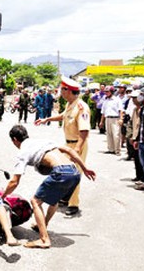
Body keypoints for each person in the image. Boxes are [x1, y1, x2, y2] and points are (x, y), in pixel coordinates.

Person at [2, 125, 96, 249]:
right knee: (54, 199)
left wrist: (2, 196)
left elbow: (14, 181)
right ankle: (43, 225)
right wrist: (85, 168)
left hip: (61, 172)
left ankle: (44, 239)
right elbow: (70, 151)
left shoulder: (23, 152)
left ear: (14, 139)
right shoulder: (44, 142)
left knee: (35, 202)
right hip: (74, 172)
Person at [35, 76, 90, 216]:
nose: (60, 92)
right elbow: (63, 116)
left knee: (75, 173)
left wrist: (77, 150)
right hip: (68, 144)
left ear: (69, 91)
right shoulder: (70, 104)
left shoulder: (82, 108)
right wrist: (47, 119)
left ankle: (74, 204)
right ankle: (66, 198)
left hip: (77, 145)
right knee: (65, 171)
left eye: (62, 89)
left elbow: (84, 131)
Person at [125, 90, 144, 183]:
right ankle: (139, 176)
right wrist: (130, 136)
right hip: (134, 138)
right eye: (132, 98)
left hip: (142, 138)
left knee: (143, 160)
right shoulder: (134, 109)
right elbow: (131, 124)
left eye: (134, 98)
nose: (133, 100)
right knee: (136, 158)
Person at [99, 85, 124, 156]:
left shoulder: (117, 100)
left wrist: (121, 119)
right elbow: (103, 112)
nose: (106, 93)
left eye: (107, 91)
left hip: (115, 118)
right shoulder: (105, 100)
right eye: (105, 92)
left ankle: (117, 150)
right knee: (109, 134)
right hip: (108, 118)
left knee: (116, 135)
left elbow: (121, 110)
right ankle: (111, 149)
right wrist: (101, 122)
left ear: (112, 92)